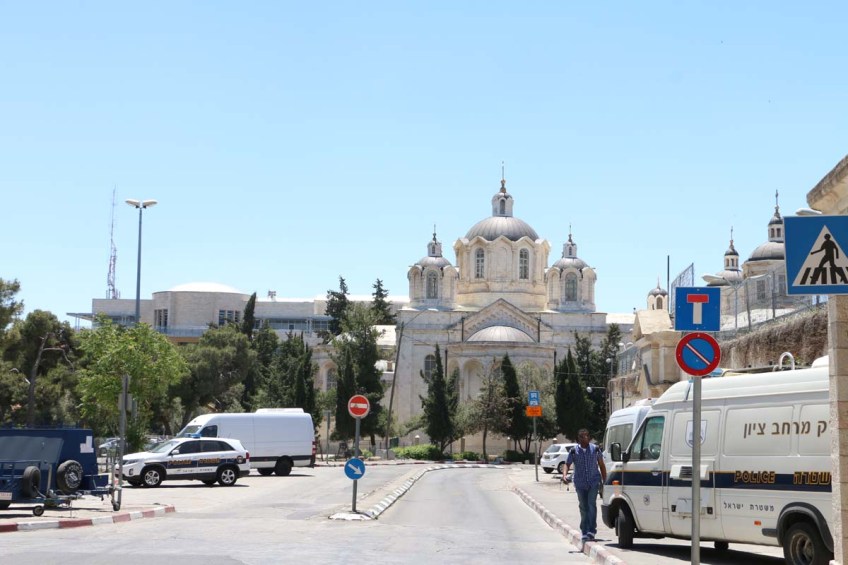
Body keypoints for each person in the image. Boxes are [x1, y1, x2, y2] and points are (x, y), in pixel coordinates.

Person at [563, 428, 607, 542]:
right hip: (580, 483)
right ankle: (584, 530)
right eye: (583, 436)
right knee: (583, 507)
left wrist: (605, 479)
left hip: (593, 482)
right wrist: (564, 476)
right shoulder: (573, 451)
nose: (586, 438)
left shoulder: (595, 449)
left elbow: (601, 465)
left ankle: (591, 531)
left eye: (587, 436)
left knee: (591, 505)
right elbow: (567, 464)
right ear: (579, 438)